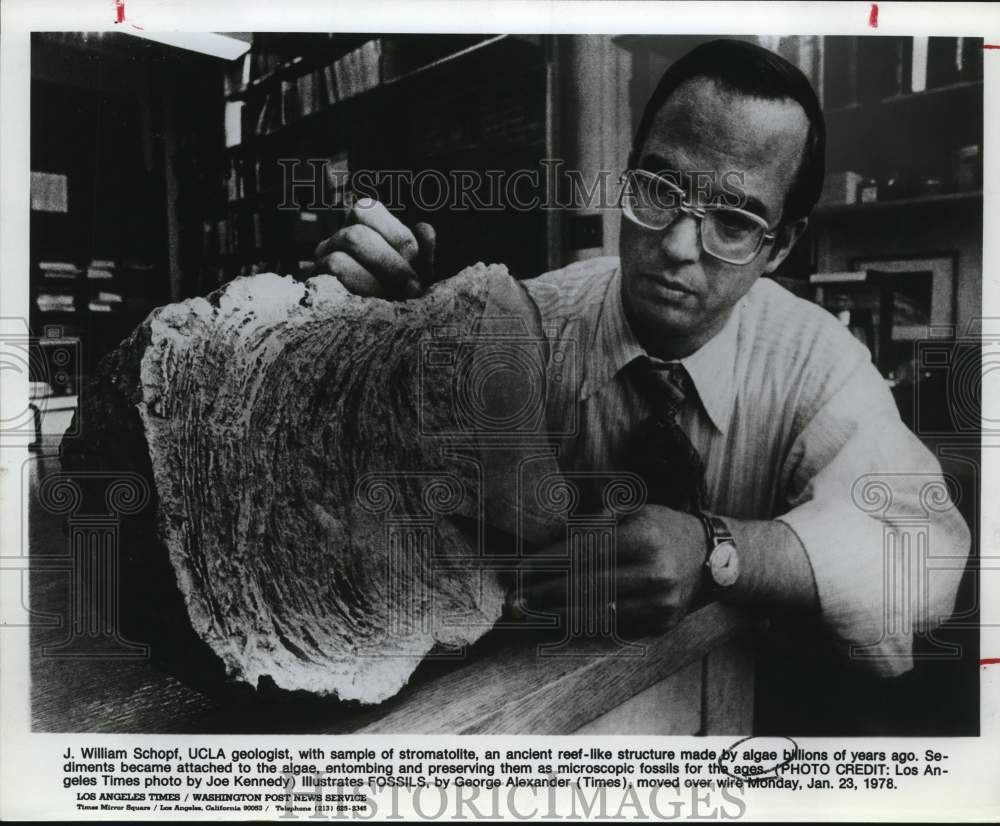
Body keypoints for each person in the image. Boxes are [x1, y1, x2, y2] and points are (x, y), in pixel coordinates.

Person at [312, 39, 970, 678]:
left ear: (780, 247)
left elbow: (923, 559)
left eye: (735, 222)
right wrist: (375, 343)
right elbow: (369, 500)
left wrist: (720, 548)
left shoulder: (818, 362)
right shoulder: (527, 323)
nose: (681, 247)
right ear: (627, 175)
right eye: (660, 189)